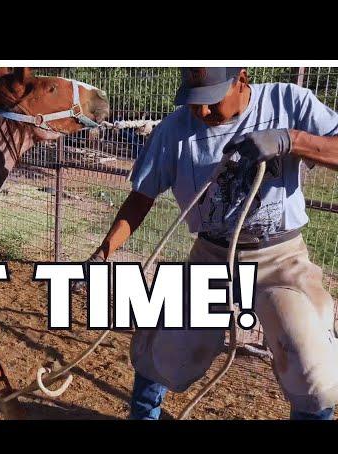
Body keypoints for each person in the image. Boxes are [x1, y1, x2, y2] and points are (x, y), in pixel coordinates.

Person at [83, 67, 338, 420]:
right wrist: (103, 252)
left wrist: (290, 140)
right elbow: (140, 198)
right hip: (211, 255)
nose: (201, 113)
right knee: (162, 349)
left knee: (312, 368)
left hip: (280, 256)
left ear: (241, 79)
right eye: (193, 102)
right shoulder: (173, 130)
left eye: (210, 102)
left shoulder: (287, 101)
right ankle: (143, 416)